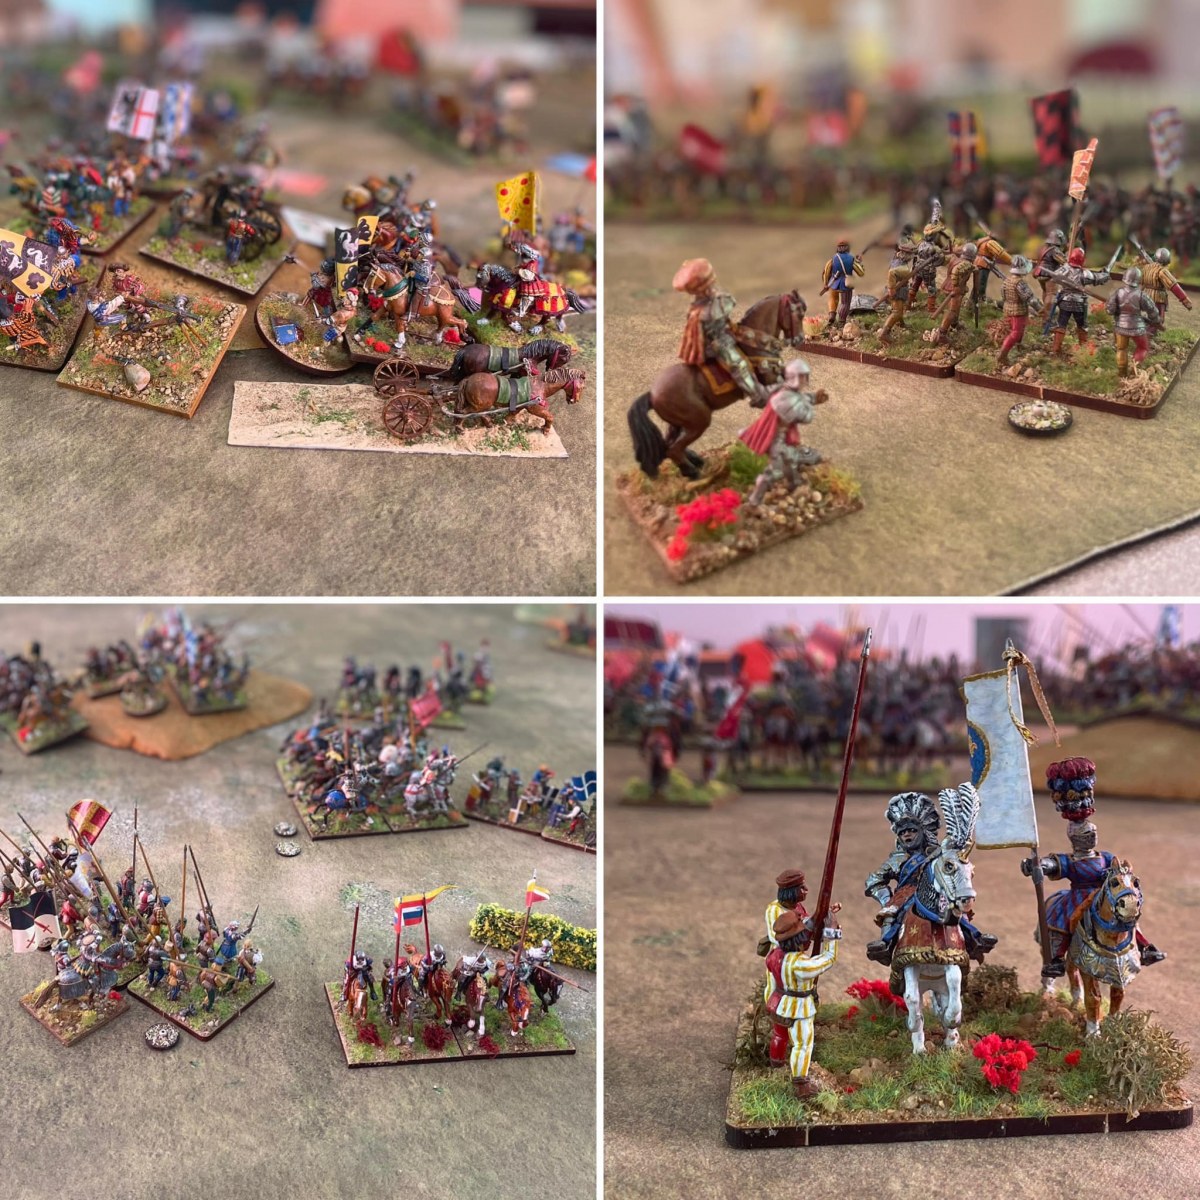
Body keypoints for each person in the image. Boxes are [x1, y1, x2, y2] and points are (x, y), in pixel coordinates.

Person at [765, 909, 841, 1098]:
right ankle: (801, 1084)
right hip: (798, 1007)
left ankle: (776, 1062)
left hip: (779, 1001)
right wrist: (832, 933)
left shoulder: (774, 955)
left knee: (780, 1035)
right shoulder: (800, 964)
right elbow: (829, 958)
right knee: (802, 1044)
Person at [673, 257, 769, 405]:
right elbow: (725, 309)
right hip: (715, 344)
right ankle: (756, 396)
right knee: (738, 364)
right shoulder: (704, 312)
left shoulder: (712, 300)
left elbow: (729, 303)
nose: (713, 287)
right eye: (709, 285)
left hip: (725, 332)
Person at [738, 357, 826, 506]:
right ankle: (755, 500)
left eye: (805, 376)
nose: (805, 380)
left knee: (790, 460)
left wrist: (814, 398)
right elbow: (806, 416)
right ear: (794, 377)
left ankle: (794, 484)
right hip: (776, 440)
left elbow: (799, 397)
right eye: (802, 377)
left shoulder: (782, 389)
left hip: (781, 438)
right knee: (775, 471)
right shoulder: (785, 400)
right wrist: (810, 403)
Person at [1047, 248, 1110, 355]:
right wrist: (1105, 274)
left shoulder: (1064, 269)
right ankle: (1082, 349)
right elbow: (1097, 279)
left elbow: (1054, 276)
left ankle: (1056, 349)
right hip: (1079, 303)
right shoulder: (1084, 274)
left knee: (1061, 325)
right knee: (1082, 326)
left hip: (1065, 301)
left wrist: (1103, 273)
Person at [1105, 267, 1162, 378]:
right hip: (1137, 327)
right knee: (1143, 348)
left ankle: (1122, 373)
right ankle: (1133, 369)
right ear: (1138, 280)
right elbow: (1153, 310)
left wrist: (1110, 308)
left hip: (1121, 327)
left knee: (1121, 349)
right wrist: (1156, 321)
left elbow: (1110, 310)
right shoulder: (1141, 295)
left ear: (1125, 277)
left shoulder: (1117, 293)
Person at [997, 256, 1041, 367]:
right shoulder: (1020, 283)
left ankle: (1018, 345)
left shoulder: (1006, 280)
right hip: (1018, 311)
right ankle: (1002, 355)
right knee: (1015, 333)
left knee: (1019, 329)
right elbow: (1030, 299)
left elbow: (1003, 295)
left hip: (1008, 308)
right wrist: (1040, 309)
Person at [820, 237, 864, 331]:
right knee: (845, 303)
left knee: (832, 298)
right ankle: (841, 321)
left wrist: (826, 283)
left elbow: (826, 271)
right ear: (847, 247)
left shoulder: (833, 258)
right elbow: (861, 273)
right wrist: (860, 263)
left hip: (833, 283)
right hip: (846, 284)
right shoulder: (851, 259)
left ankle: (832, 314)